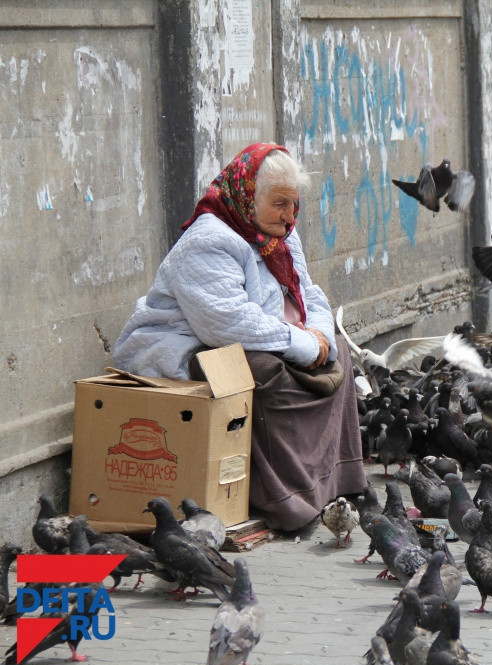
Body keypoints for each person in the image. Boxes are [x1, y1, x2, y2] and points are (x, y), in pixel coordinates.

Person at [113, 142, 366, 531]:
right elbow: (228, 322)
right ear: (248, 197)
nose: (290, 215)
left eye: (294, 203)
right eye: (279, 204)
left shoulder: (281, 233)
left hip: (261, 335)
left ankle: (335, 480)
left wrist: (320, 335)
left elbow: (309, 292)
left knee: (340, 352)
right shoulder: (208, 240)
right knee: (263, 371)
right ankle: (282, 498)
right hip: (183, 345)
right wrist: (304, 344)